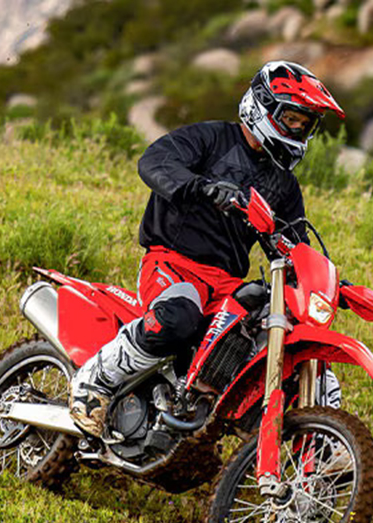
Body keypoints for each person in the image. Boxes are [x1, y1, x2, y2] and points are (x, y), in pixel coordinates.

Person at [69, 61, 346, 440]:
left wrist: (329, 283)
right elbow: (155, 161)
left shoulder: (283, 185)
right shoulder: (211, 139)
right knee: (177, 317)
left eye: (305, 124)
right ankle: (93, 385)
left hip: (227, 285)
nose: (298, 130)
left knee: (289, 344)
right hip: (173, 264)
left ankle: (329, 445)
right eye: (292, 118)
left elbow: (296, 244)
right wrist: (202, 187)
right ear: (262, 106)